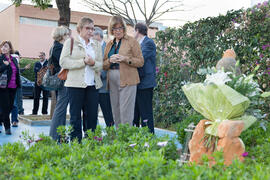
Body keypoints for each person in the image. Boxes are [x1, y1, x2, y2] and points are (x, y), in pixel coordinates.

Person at [60, 17, 103, 142]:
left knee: (92, 117)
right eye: (87, 28)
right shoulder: (70, 42)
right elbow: (63, 62)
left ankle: (90, 142)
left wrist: (93, 62)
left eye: (92, 29)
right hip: (75, 85)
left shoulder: (96, 44)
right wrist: (82, 62)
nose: (91, 31)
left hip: (93, 86)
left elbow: (101, 64)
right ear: (80, 29)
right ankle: (76, 144)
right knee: (75, 117)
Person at [103, 16, 144, 128]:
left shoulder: (132, 41)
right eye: (115, 29)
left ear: (124, 28)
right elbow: (103, 64)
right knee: (115, 111)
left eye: (120, 28)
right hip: (112, 79)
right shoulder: (109, 44)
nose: (118, 31)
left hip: (128, 79)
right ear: (111, 30)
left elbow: (140, 62)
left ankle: (126, 140)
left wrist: (125, 59)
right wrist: (110, 61)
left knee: (126, 112)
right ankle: (118, 140)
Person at [133, 23, 157, 133]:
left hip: (145, 84)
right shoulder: (138, 44)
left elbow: (140, 59)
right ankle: (136, 137)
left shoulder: (148, 43)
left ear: (137, 31)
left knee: (146, 113)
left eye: (133, 31)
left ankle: (149, 137)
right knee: (136, 113)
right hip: (137, 83)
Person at [49, 26, 71, 141]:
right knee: (61, 108)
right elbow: (64, 63)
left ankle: (60, 135)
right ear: (62, 35)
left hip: (61, 80)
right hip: (63, 80)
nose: (69, 37)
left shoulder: (55, 47)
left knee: (61, 108)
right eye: (67, 34)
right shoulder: (58, 48)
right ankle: (54, 136)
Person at [93, 27, 114, 127]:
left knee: (107, 113)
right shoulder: (91, 47)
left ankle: (111, 134)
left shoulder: (108, 47)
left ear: (98, 35)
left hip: (104, 87)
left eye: (92, 35)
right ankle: (93, 135)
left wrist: (101, 73)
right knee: (91, 113)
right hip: (91, 86)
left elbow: (111, 64)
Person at [0, 41, 21, 135]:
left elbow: (17, 72)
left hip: (13, 87)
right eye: (2, 47)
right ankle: (7, 128)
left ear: (10, 48)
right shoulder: (1, 58)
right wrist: (5, 65)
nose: (3, 48)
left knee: (9, 107)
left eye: (5, 46)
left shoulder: (14, 59)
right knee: (5, 107)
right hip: (3, 87)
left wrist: (18, 83)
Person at [10, 51, 31, 127]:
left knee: (16, 102)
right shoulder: (12, 60)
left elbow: (18, 71)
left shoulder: (15, 63)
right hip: (11, 86)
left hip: (17, 85)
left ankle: (15, 119)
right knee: (14, 102)